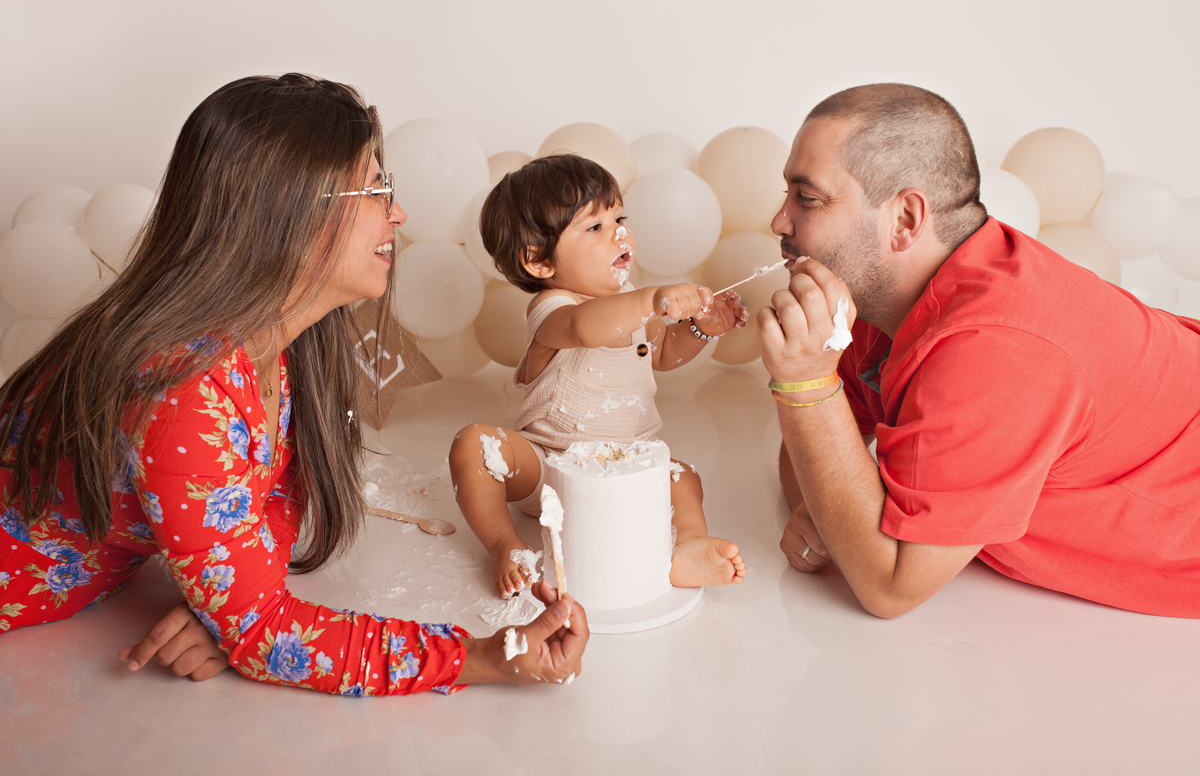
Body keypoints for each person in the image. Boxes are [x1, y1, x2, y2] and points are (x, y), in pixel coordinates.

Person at [0, 73, 587, 693]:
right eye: (376, 187)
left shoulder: (281, 341)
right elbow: (265, 639)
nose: (399, 213)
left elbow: (281, 492)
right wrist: (487, 657)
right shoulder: (182, 392)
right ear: (289, 210)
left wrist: (232, 600)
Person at [761, 83, 1200, 620]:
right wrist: (826, 508)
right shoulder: (880, 293)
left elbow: (890, 586)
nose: (778, 222)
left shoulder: (994, 352)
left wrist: (804, 383)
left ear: (904, 221)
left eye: (807, 199)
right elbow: (825, 445)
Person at [448, 154, 747, 598]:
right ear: (539, 262)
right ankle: (503, 544)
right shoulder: (552, 309)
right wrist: (651, 300)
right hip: (549, 466)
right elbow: (585, 328)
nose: (621, 234)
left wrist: (702, 328)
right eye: (596, 228)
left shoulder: (629, 299)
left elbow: (663, 353)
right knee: (475, 444)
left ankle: (685, 545)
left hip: (627, 466)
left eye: (619, 218)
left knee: (682, 475)